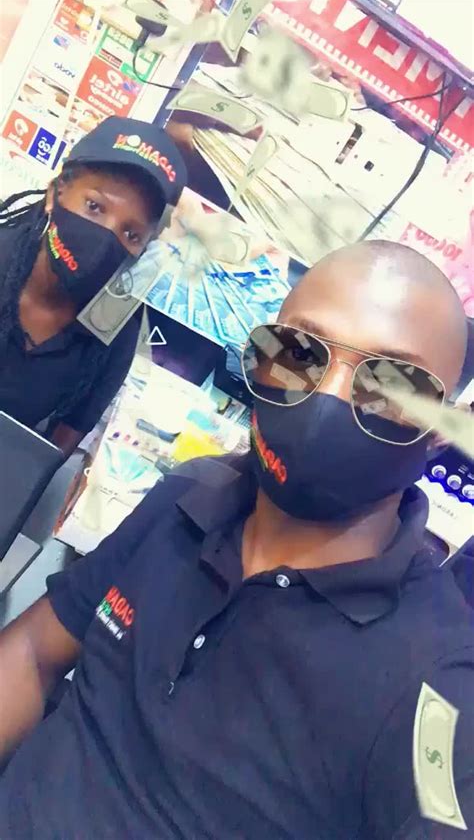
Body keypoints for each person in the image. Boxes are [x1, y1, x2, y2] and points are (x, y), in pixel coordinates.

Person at [0, 240, 473, 839]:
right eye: (298, 352)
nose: (326, 396)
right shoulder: (187, 497)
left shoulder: (441, 683)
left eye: (394, 385)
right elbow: (35, 652)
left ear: (441, 432)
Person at [0, 115, 186, 456]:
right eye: (95, 207)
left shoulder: (113, 337)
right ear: (55, 194)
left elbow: (50, 453)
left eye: (131, 234)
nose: (105, 237)